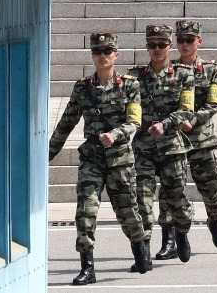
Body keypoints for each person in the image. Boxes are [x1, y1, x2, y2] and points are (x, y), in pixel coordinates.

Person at [49, 32, 150, 285]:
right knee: (85, 211)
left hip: (121, 161)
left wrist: (115, 134)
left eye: (107, 51)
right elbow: (66, 123)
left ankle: (140, 249)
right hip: (92, 160)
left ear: (116, 54)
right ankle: (87, 267)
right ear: (92, 56)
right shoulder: (83, 88)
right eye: (98, 52)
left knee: (128, 213)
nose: (102, 56)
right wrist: (46, 156)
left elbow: (134, 121)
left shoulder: (129, 85)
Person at [154, 20, 217, 260]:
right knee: (169, 192)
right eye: (181, 40)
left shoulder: (211, 68)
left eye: (189, 40)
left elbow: (214, 102)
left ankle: (214, 221)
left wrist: (193, 120)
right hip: (174, 141)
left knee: (211, 190)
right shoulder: (168, 69)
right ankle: (170, 239)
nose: (184, 44)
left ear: (199, 42)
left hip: (202, 140)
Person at [127, 24, 196, 272]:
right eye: (152, 45)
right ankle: (143, 253)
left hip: (172, 148)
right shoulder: (134, 77)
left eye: (161, 45)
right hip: (144, 148)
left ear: (169, 46)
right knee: (142, 201)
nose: (156, 49)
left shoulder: (184, 75)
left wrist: (166, 124)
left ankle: (181, 233)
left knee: (175, 199)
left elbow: (187, 109)